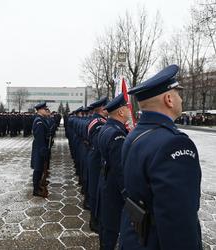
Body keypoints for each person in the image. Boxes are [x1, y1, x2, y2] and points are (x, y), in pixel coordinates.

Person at [120, 64, 202, 250]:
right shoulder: (174, 144)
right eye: (178, 93)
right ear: (169, 99)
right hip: (154, 241)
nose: (181, 99)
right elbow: (178, 222)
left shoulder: (135, 134)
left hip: (134, 236)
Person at [97, 93, 130, 250]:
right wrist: (127, 195)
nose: (130, 110)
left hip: (106, 180)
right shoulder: (117, 133)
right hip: (113, 186)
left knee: (106, 223)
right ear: (121, 112)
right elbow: (120, 169)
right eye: (127, 107)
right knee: (111, 227)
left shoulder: (107, 127)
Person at [86, 97, 108, 233]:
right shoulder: (99, 123)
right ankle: (94, 221)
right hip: (96, 160)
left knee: (95, 190)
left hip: (94, 157)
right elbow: (99, 145)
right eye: (106, 107)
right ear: (101, 108)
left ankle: (96, 218)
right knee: (95, 191)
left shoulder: (98, 120)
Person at [31, 102, 50, 198]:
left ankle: (38, 185)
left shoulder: (41, 119)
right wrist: (43, 151)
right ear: (39, 110)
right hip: (39, 147)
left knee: (40, 167)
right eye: (44, 109)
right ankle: (35, 189)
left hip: (41, 146)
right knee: (38, 168)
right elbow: (40, 138)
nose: (46, 110)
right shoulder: (39, 121)